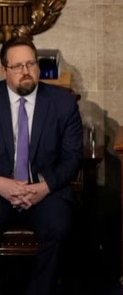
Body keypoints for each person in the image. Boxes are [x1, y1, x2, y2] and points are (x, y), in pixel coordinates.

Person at [0, 36, 83, 295]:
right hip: (1, 188)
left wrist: (44, 187)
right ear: (4, 70)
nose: (26, 72)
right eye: (17, 66)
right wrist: (2, 184)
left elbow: (72, 156)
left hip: (46, 190)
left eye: (31, 64)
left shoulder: (63, 102)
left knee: (58, 226)